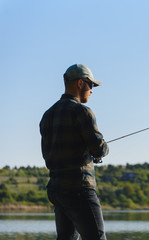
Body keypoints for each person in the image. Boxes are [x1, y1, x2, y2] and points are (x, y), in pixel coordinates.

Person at [40, 64, 109, 240]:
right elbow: (99, 148)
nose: (92, 90)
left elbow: (48, 155)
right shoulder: (82, 111)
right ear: (80, 83)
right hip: (79, 188)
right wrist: (104, 149)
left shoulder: (48, 115)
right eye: (91, 85)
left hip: (57, 189)